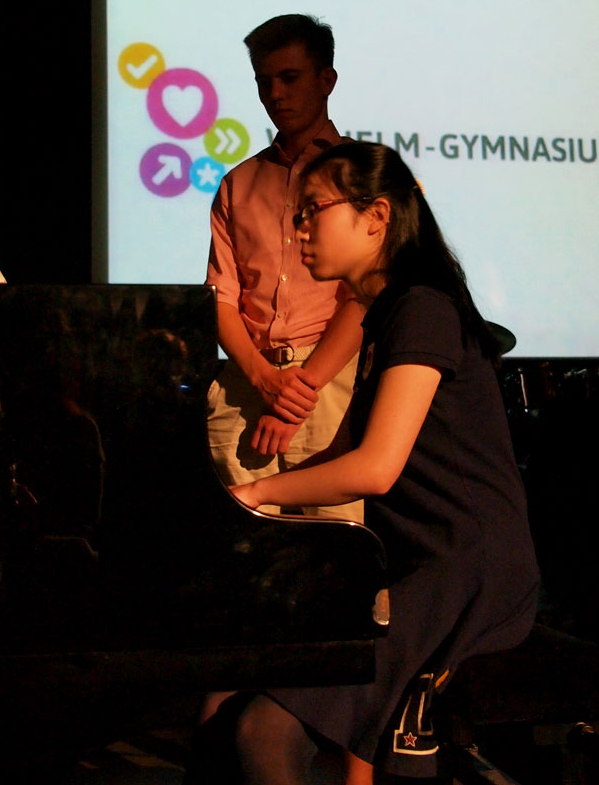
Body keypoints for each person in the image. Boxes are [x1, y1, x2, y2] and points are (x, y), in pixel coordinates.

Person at [195, 141, 540, 784]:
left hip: (464, 570)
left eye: (313, 211)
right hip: (412, 560)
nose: (299, 229)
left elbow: (375, 468)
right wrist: (248, 501)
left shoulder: (424, 308)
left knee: (263, 729)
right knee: (225, 700)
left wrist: (258, 493)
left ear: (376, 216)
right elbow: (342, 455)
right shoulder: (389, 316)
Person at [206, 14, 365, 520]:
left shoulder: (364, 174)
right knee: (243, 549)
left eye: (290, 78)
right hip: (246, 385)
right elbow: (221, 299)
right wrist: (261, 378)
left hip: (332, 382)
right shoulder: (238, 182)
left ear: (326, 80)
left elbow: (364, 297)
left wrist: (302, 389)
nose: (275, 94)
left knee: (334, 552)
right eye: (263, 82)